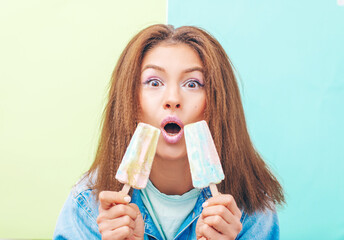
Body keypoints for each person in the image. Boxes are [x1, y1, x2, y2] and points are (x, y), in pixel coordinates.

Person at [54, 24, 285, 240]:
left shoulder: (251, 210)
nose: (173, 99)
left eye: (193, 83)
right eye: (154, 82)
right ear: (131, 103)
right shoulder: (88, 206)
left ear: (216, 104)